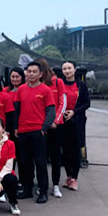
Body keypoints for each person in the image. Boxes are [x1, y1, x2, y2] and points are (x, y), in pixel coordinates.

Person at [14, 61, 55, 204]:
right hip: (23, 131)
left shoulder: (46, 90)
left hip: (38, 131)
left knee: (40, 163)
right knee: (25, 163)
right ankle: (27, 189)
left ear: (41, 74)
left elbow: (51, 111)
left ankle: (43, 192)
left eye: (34, 72)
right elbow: (17, 110)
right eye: (29, 71)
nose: (31, 74)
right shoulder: (21, 89)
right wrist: (16, 127)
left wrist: (44, 128)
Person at [37, 57, 68, 198]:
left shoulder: (57, 82)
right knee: (40, 158)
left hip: (56, 126)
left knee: (55, 157)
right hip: (40, 127)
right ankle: (42, 185)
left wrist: (55, 120)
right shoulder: (34, 84)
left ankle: (55, 185)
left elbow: (63, 102)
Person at [59, 61, 90, 192]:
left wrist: (74, 111)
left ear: (74, 69)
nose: (67, 71)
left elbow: (87, 103)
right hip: (63, 122)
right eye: (64, 69)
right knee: (65, 151)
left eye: (69, 68)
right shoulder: (60, 84)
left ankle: (74, 179)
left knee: (75, 151)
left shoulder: (81, 86)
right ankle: (68, 177)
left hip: (77, 122)